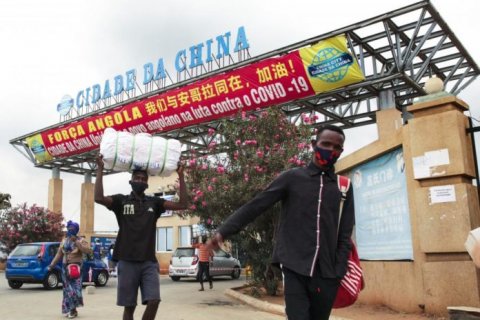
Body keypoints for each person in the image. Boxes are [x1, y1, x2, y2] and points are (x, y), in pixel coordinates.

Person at [208, 124, 355, 320]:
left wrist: (339, 269)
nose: (330, 150)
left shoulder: (343, 187)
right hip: (295, 267)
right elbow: (257, 205)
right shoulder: (292, 178)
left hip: (328, 273)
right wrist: (223, 232)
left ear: (341, 151)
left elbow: (345, 232)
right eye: (325, 144)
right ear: (314, 144)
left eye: (336, 147)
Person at [94, 154, 188, 320]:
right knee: (129, 307)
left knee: (154, 301)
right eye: (136, 177)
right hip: (126, 260)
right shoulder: (120, 201)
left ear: (147, 183)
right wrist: (100, 169)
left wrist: (180, 175)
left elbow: (183, 205)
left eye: (143, 179)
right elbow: (99, 198)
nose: (140, 180)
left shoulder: (155, 203)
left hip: (148, 262)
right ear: (131, 180)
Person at [48, 220, 93, 319]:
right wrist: (51, 265)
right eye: (69, 229)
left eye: (72, 229)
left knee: (75, 290)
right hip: (65, 269)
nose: (70, 230)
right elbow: (59, 254)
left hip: (76, 268)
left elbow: (88, 251)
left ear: (76, 230)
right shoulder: (64, 241)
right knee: (67, 290)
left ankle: (73, 310)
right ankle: (69, 309)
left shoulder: (81, 240)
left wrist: (76, 242)